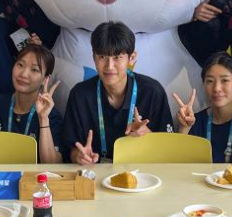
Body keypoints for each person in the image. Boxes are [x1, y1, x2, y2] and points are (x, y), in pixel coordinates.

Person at [62, 21, 173, 164]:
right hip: (95, 173)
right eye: (102, 57)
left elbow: (168, 151)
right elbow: (71, 148)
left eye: (117, 57)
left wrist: (148, 135)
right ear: (94, 57)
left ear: (131, 58)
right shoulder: (80, 95)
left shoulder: (152, 92)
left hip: (142, 175)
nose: (109, 66)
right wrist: (79, 156)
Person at [0, 44, 64, 163]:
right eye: (20, 65)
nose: (23, 74)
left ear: (45, 79)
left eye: (34, 70)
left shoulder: (51, 116)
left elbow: (51, 164)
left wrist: (43, 119)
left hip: (32, 180)